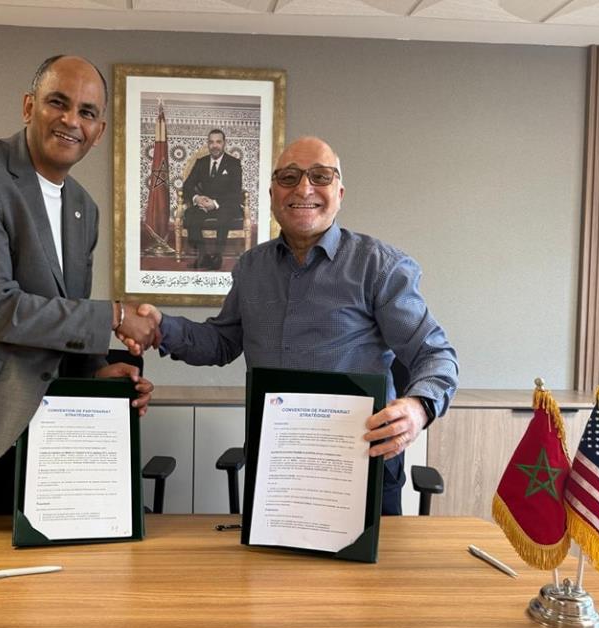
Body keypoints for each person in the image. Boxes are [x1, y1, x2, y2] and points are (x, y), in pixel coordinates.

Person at [128, 136, 458, 515]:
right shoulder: (251, 268)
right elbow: (221, 342)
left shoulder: (379, 267)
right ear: (273, 195)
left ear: (339, 193)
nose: (303, 188)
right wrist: (161, 327)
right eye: (289, 177)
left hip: (361, 464)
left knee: (367, 560)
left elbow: (436, 355)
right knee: (267, 559)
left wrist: (418, 408)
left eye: (320, 176)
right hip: (277, 463)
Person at [0, 55, 158, 530]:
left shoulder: (83, 208)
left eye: (87, 112)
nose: (71, 120)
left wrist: (96, 372)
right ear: (28, 106)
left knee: (42, 577)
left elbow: (64, 309)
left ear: (98, 132)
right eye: (58, 103)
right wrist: (116, 316)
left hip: (45, 436)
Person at [181, 129, 243, 270]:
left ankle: (217, 257)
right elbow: (187, 185)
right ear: (208, 144)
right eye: (211, 142)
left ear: (224, 143)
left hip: (225, 205)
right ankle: (203, 256)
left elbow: (235, 192)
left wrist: (215, 204)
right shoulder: (201, 162)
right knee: (190, 214)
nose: (215, 145)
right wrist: (197, 198)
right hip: (205, 204)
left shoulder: (233, 163)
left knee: (224, 215)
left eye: (218, 142)